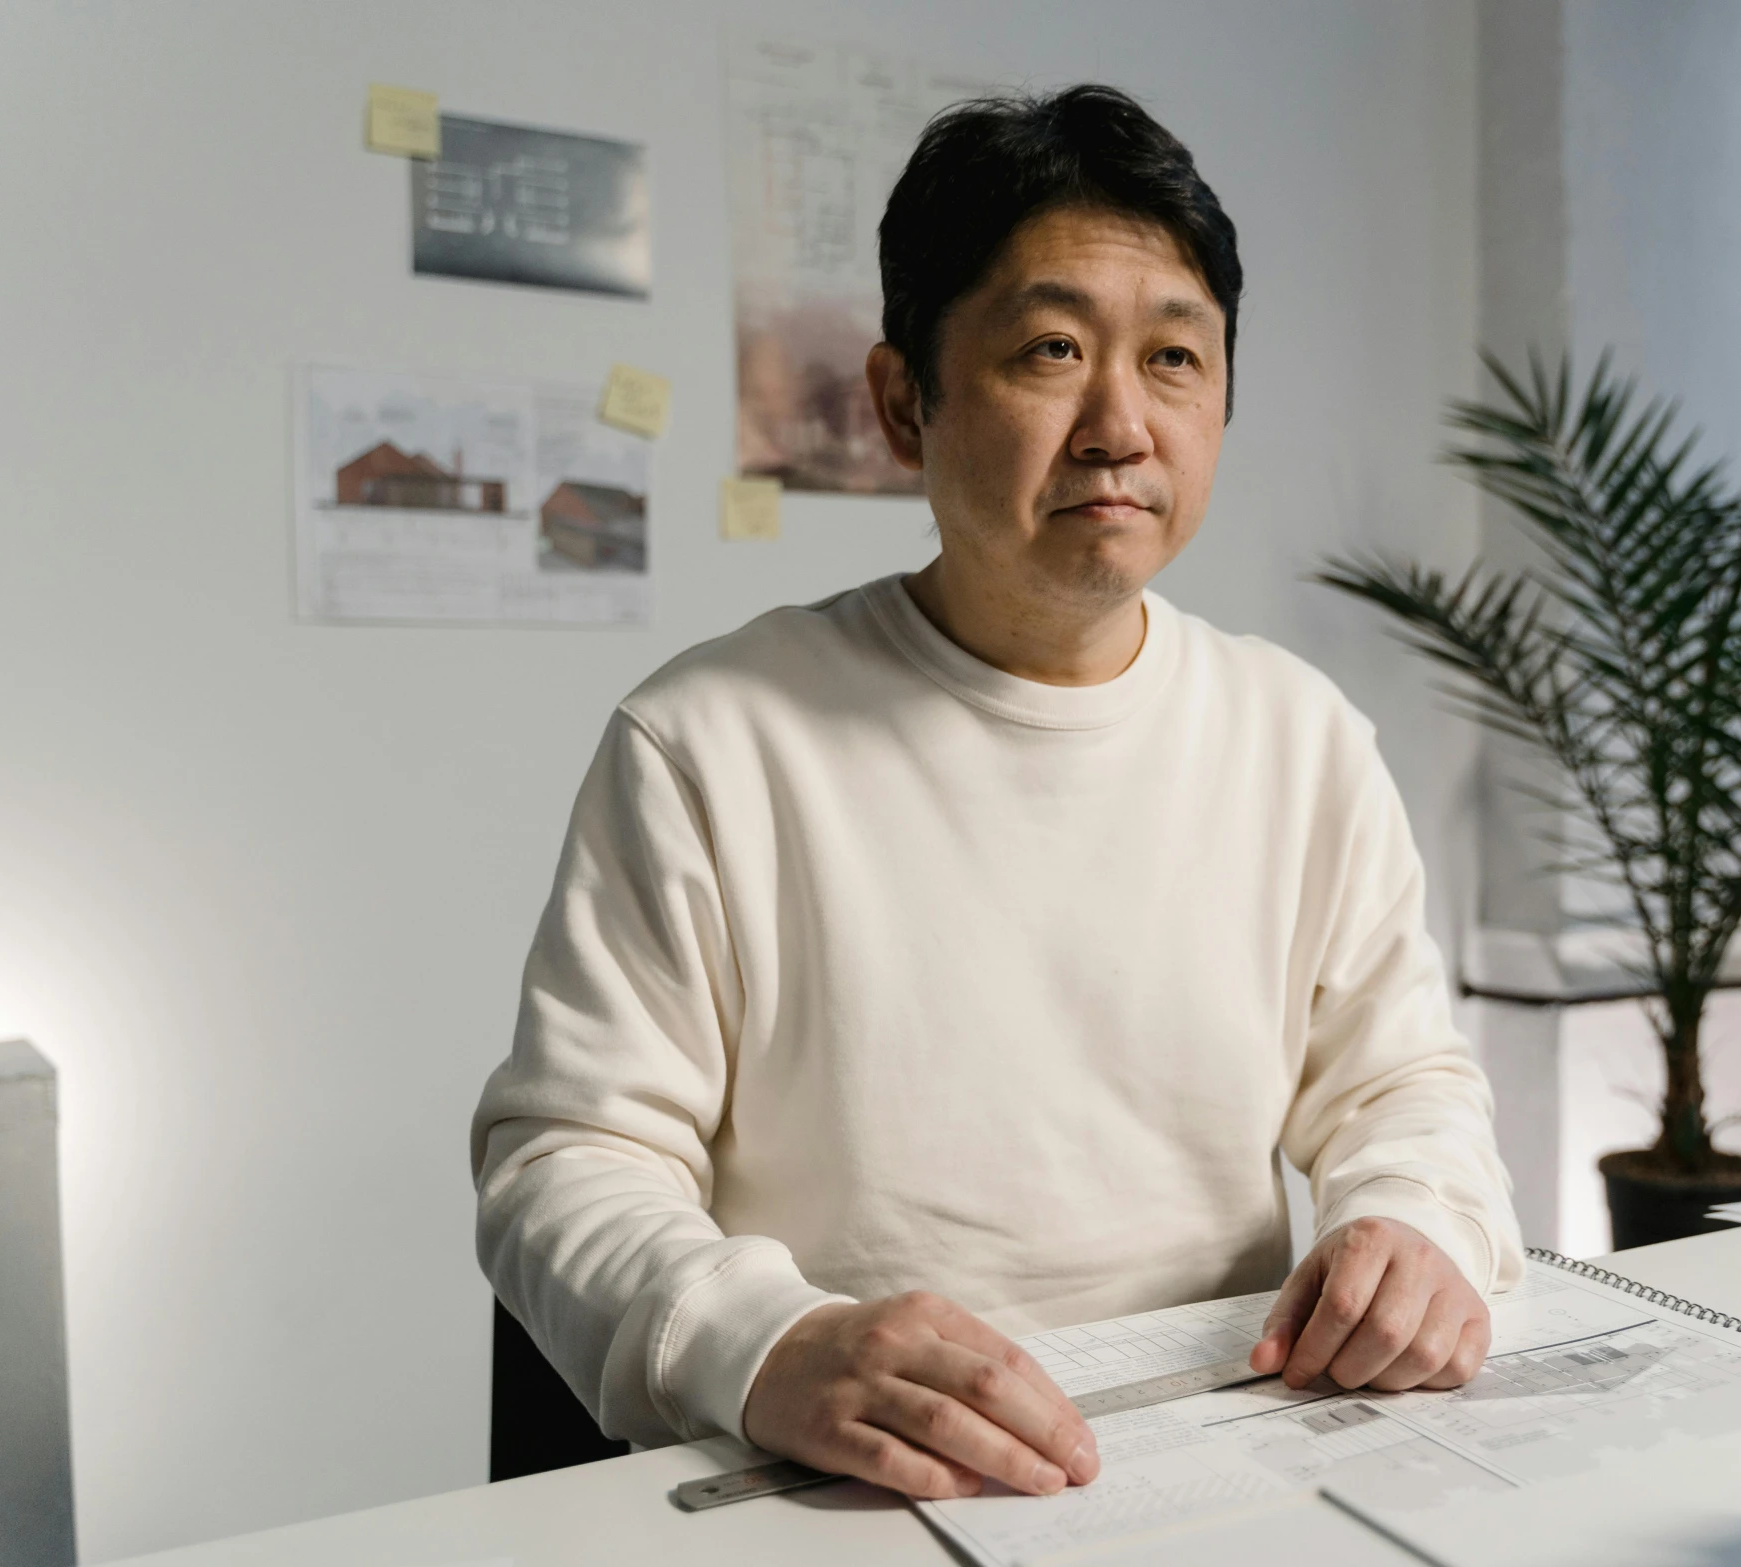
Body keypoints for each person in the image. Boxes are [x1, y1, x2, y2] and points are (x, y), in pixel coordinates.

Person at [471, 83, 1521, 1504]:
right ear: (905, 400)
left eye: (1172, 359)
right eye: (1048, 350)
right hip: (850, 1485)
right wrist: (766, 1341)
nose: (1118, 425)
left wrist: (1410, 1216)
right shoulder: (708, 741)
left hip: (1216, 1457)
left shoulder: (1297, 734)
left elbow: (1404, 1084)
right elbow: (566, 1155)